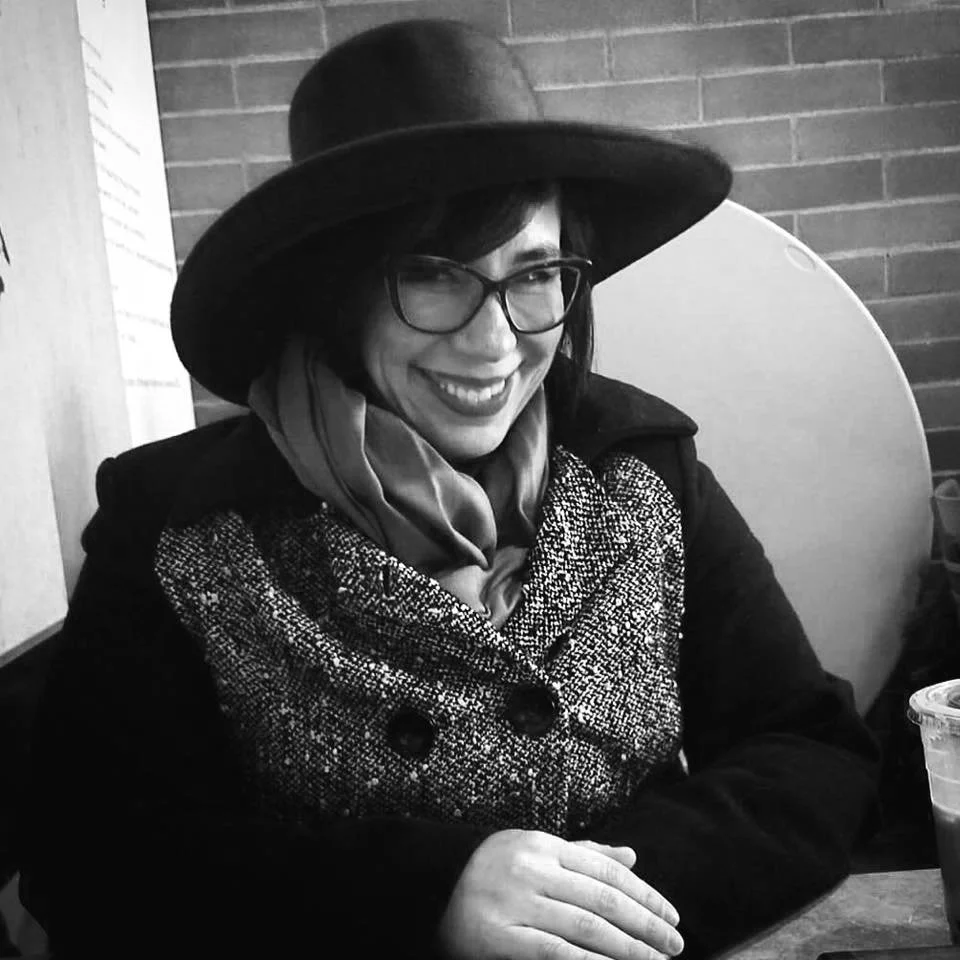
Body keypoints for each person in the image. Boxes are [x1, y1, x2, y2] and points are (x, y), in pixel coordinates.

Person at [20, 18, 880, 960]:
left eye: (536, 273)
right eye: (432, 275)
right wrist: (426, 895)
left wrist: (581, 902)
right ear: (334, 287)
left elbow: (809, 751)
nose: (496, 343)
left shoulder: (644, 473)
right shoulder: (176, 526)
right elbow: (93, 859)